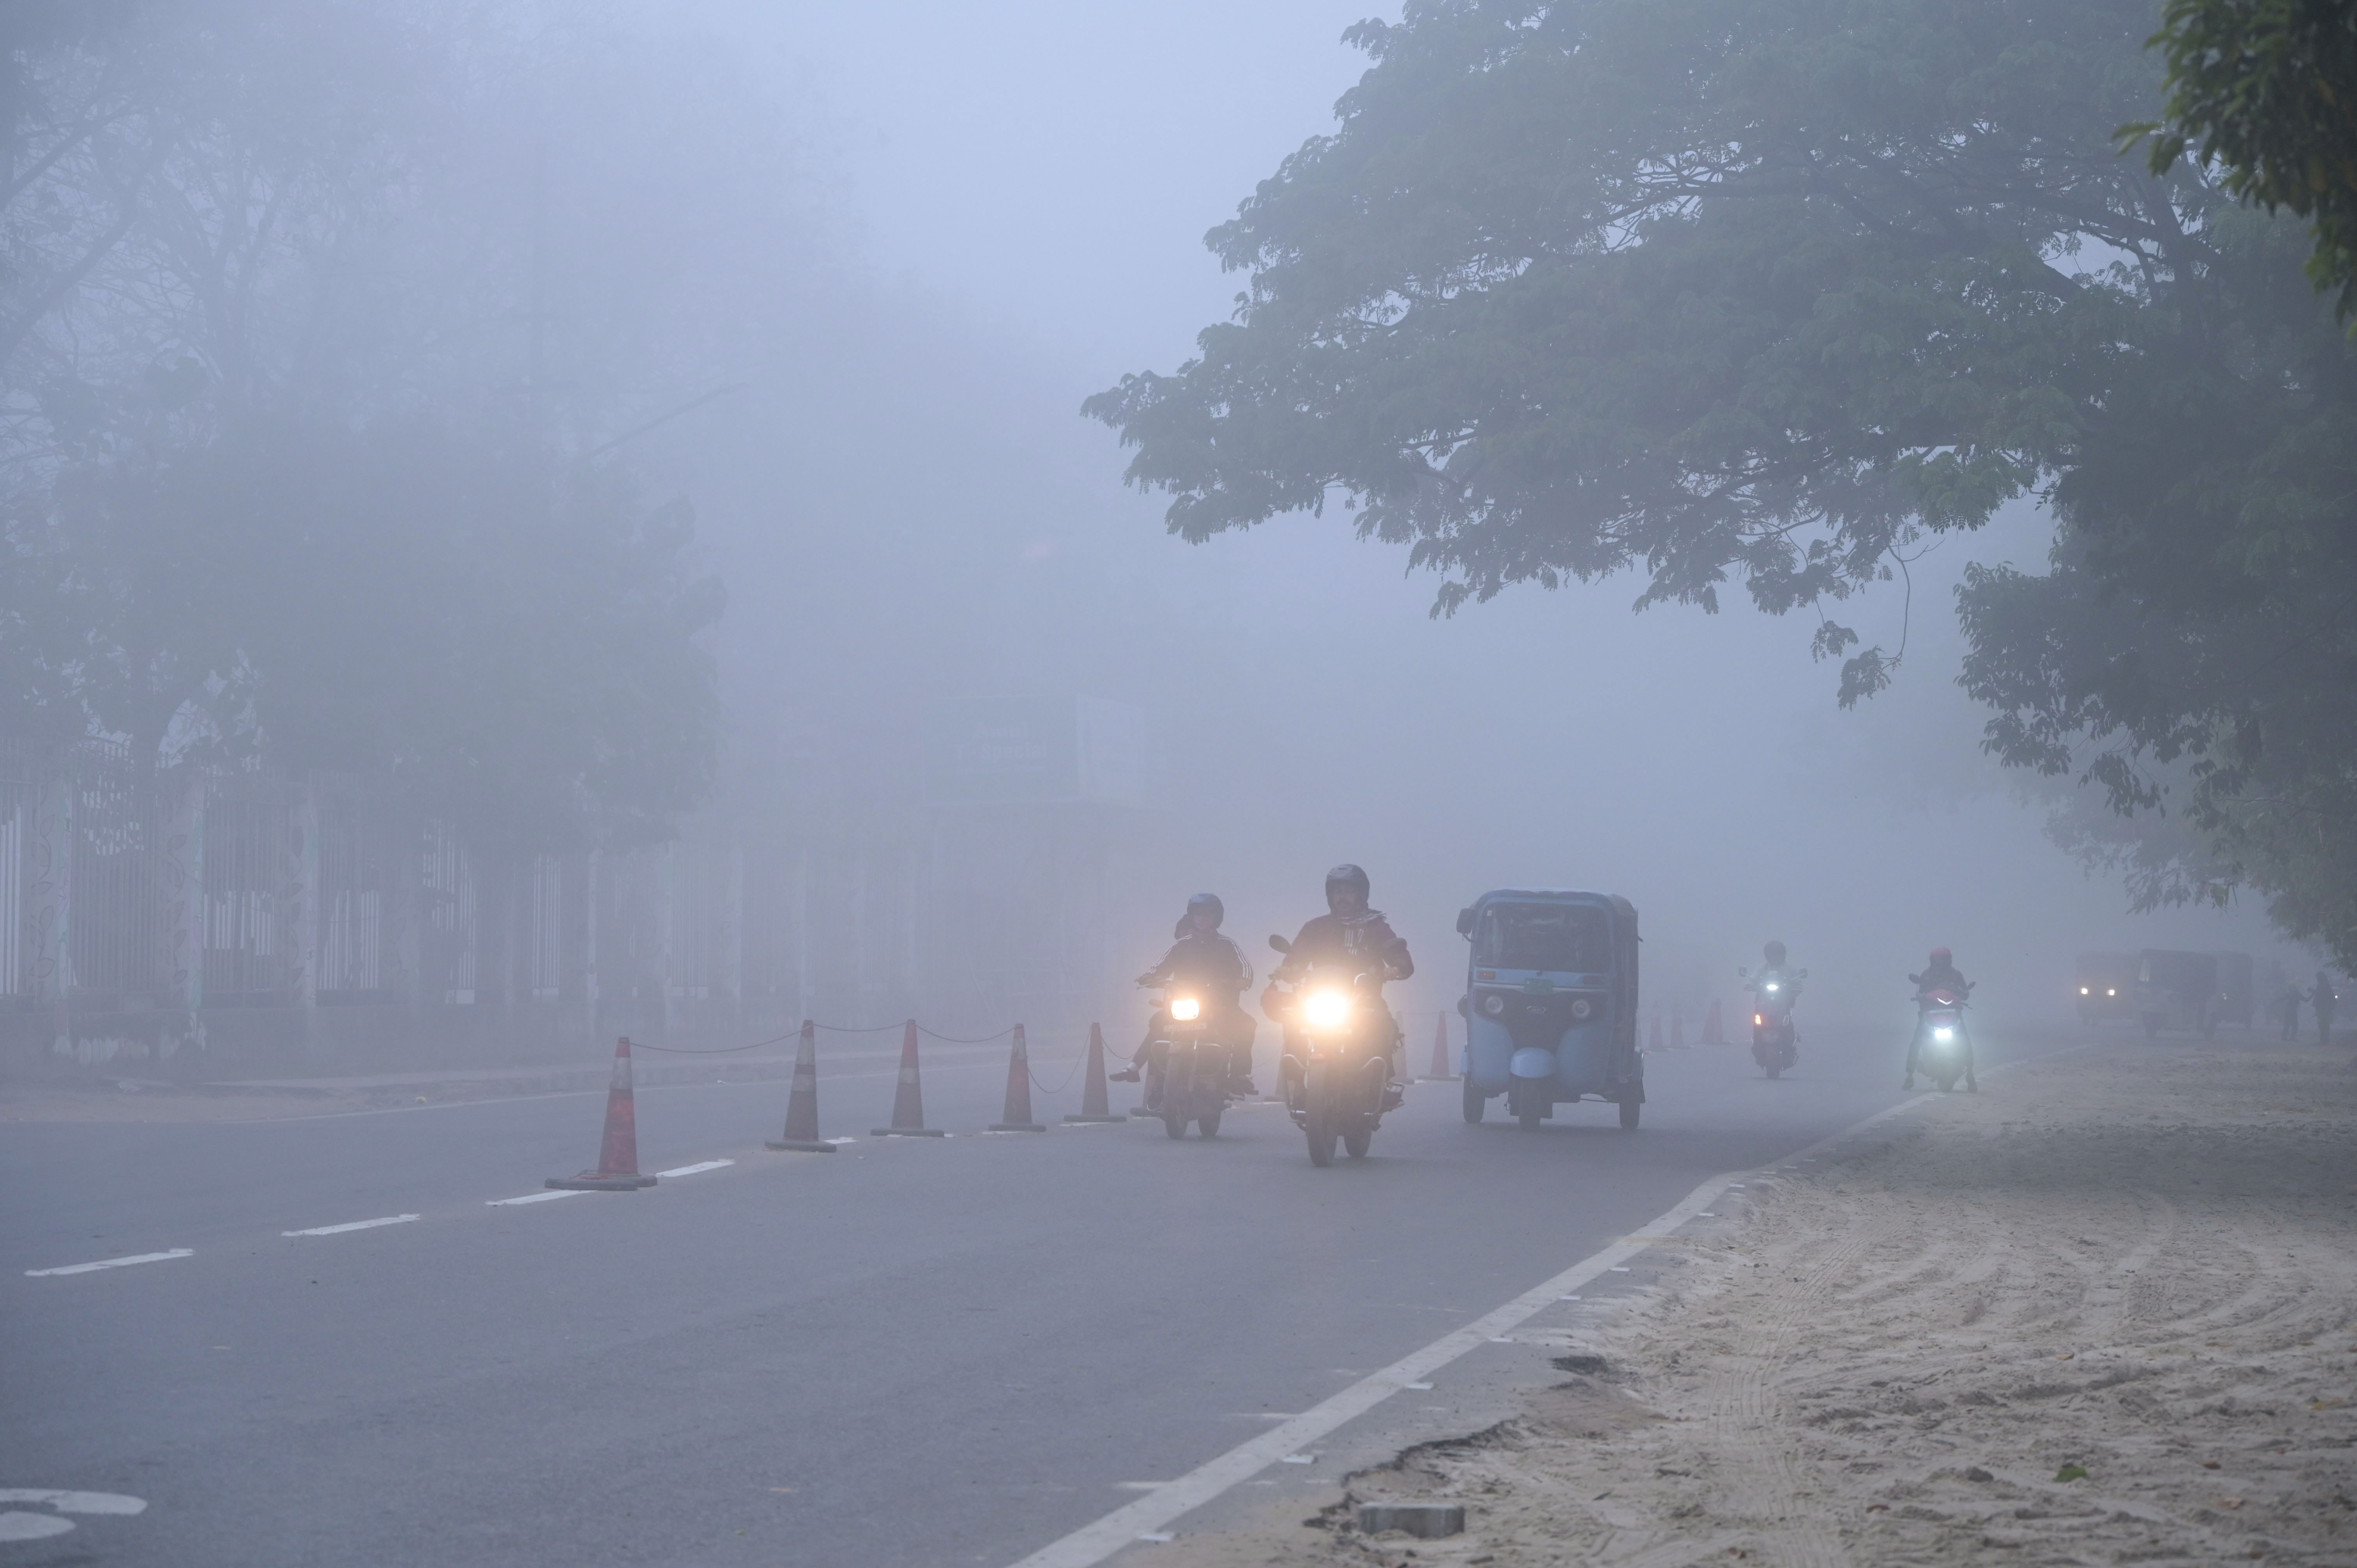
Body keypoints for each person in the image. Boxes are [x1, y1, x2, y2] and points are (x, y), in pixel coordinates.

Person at [1268, 864, 1415, 1101]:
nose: (1343, 897)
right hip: (1319, 997)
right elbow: (1297, 956)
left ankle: (1380, 1082)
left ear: (1361, 895)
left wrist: (1395, 968)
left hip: (1363, 998)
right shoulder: (1315, 927)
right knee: (1293, 1018)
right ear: (1330, 897)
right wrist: (1289, 969)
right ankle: (1295, 1080)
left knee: (1381, 1022)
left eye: (1348, 892)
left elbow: (1399, 955)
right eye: (1338, 892)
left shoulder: (1376, 926)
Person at [1113, 893, 1258, 1096]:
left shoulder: (1228, 945)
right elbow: (1160, 967)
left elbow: (1245, 969)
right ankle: (1141, 1072)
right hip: (1184, 1005)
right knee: (1158, 1023)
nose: (1202, 919)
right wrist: (1149, 977)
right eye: (1198, 914)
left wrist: (1242, 980)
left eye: (1207, 915)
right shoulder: (1182, 945)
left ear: (1216, 919)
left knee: (1247, 1025)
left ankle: (1240, 1077)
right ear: (1192, 917)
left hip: (1220, 1005)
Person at [1903, 946, 1974, 1091]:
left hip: (1952, 1013)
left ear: (1949, 960)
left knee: (1966, 1040)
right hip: (1930, 1014)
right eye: (1937, 960)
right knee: (1917, 1040)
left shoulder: (1956, 976)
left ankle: (1971, 1076)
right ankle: (1909, 1075)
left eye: (1943, 960)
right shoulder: (1926, 976)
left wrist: (1958, 990)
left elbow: (1965, 993)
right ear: (1932, 961)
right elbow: (1920, 992)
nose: (1940, 963)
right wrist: (1922, 997)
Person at [2314, 971, 2338, 1045]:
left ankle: (2324, 1040)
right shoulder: (2324, 985)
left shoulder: (2324, 985)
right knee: (2323, 1024)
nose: (2317, 979)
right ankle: (2324, 1040)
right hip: (2323, 1007)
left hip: (2324, 1007)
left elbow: (2324, 996)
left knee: (2324, 1024)